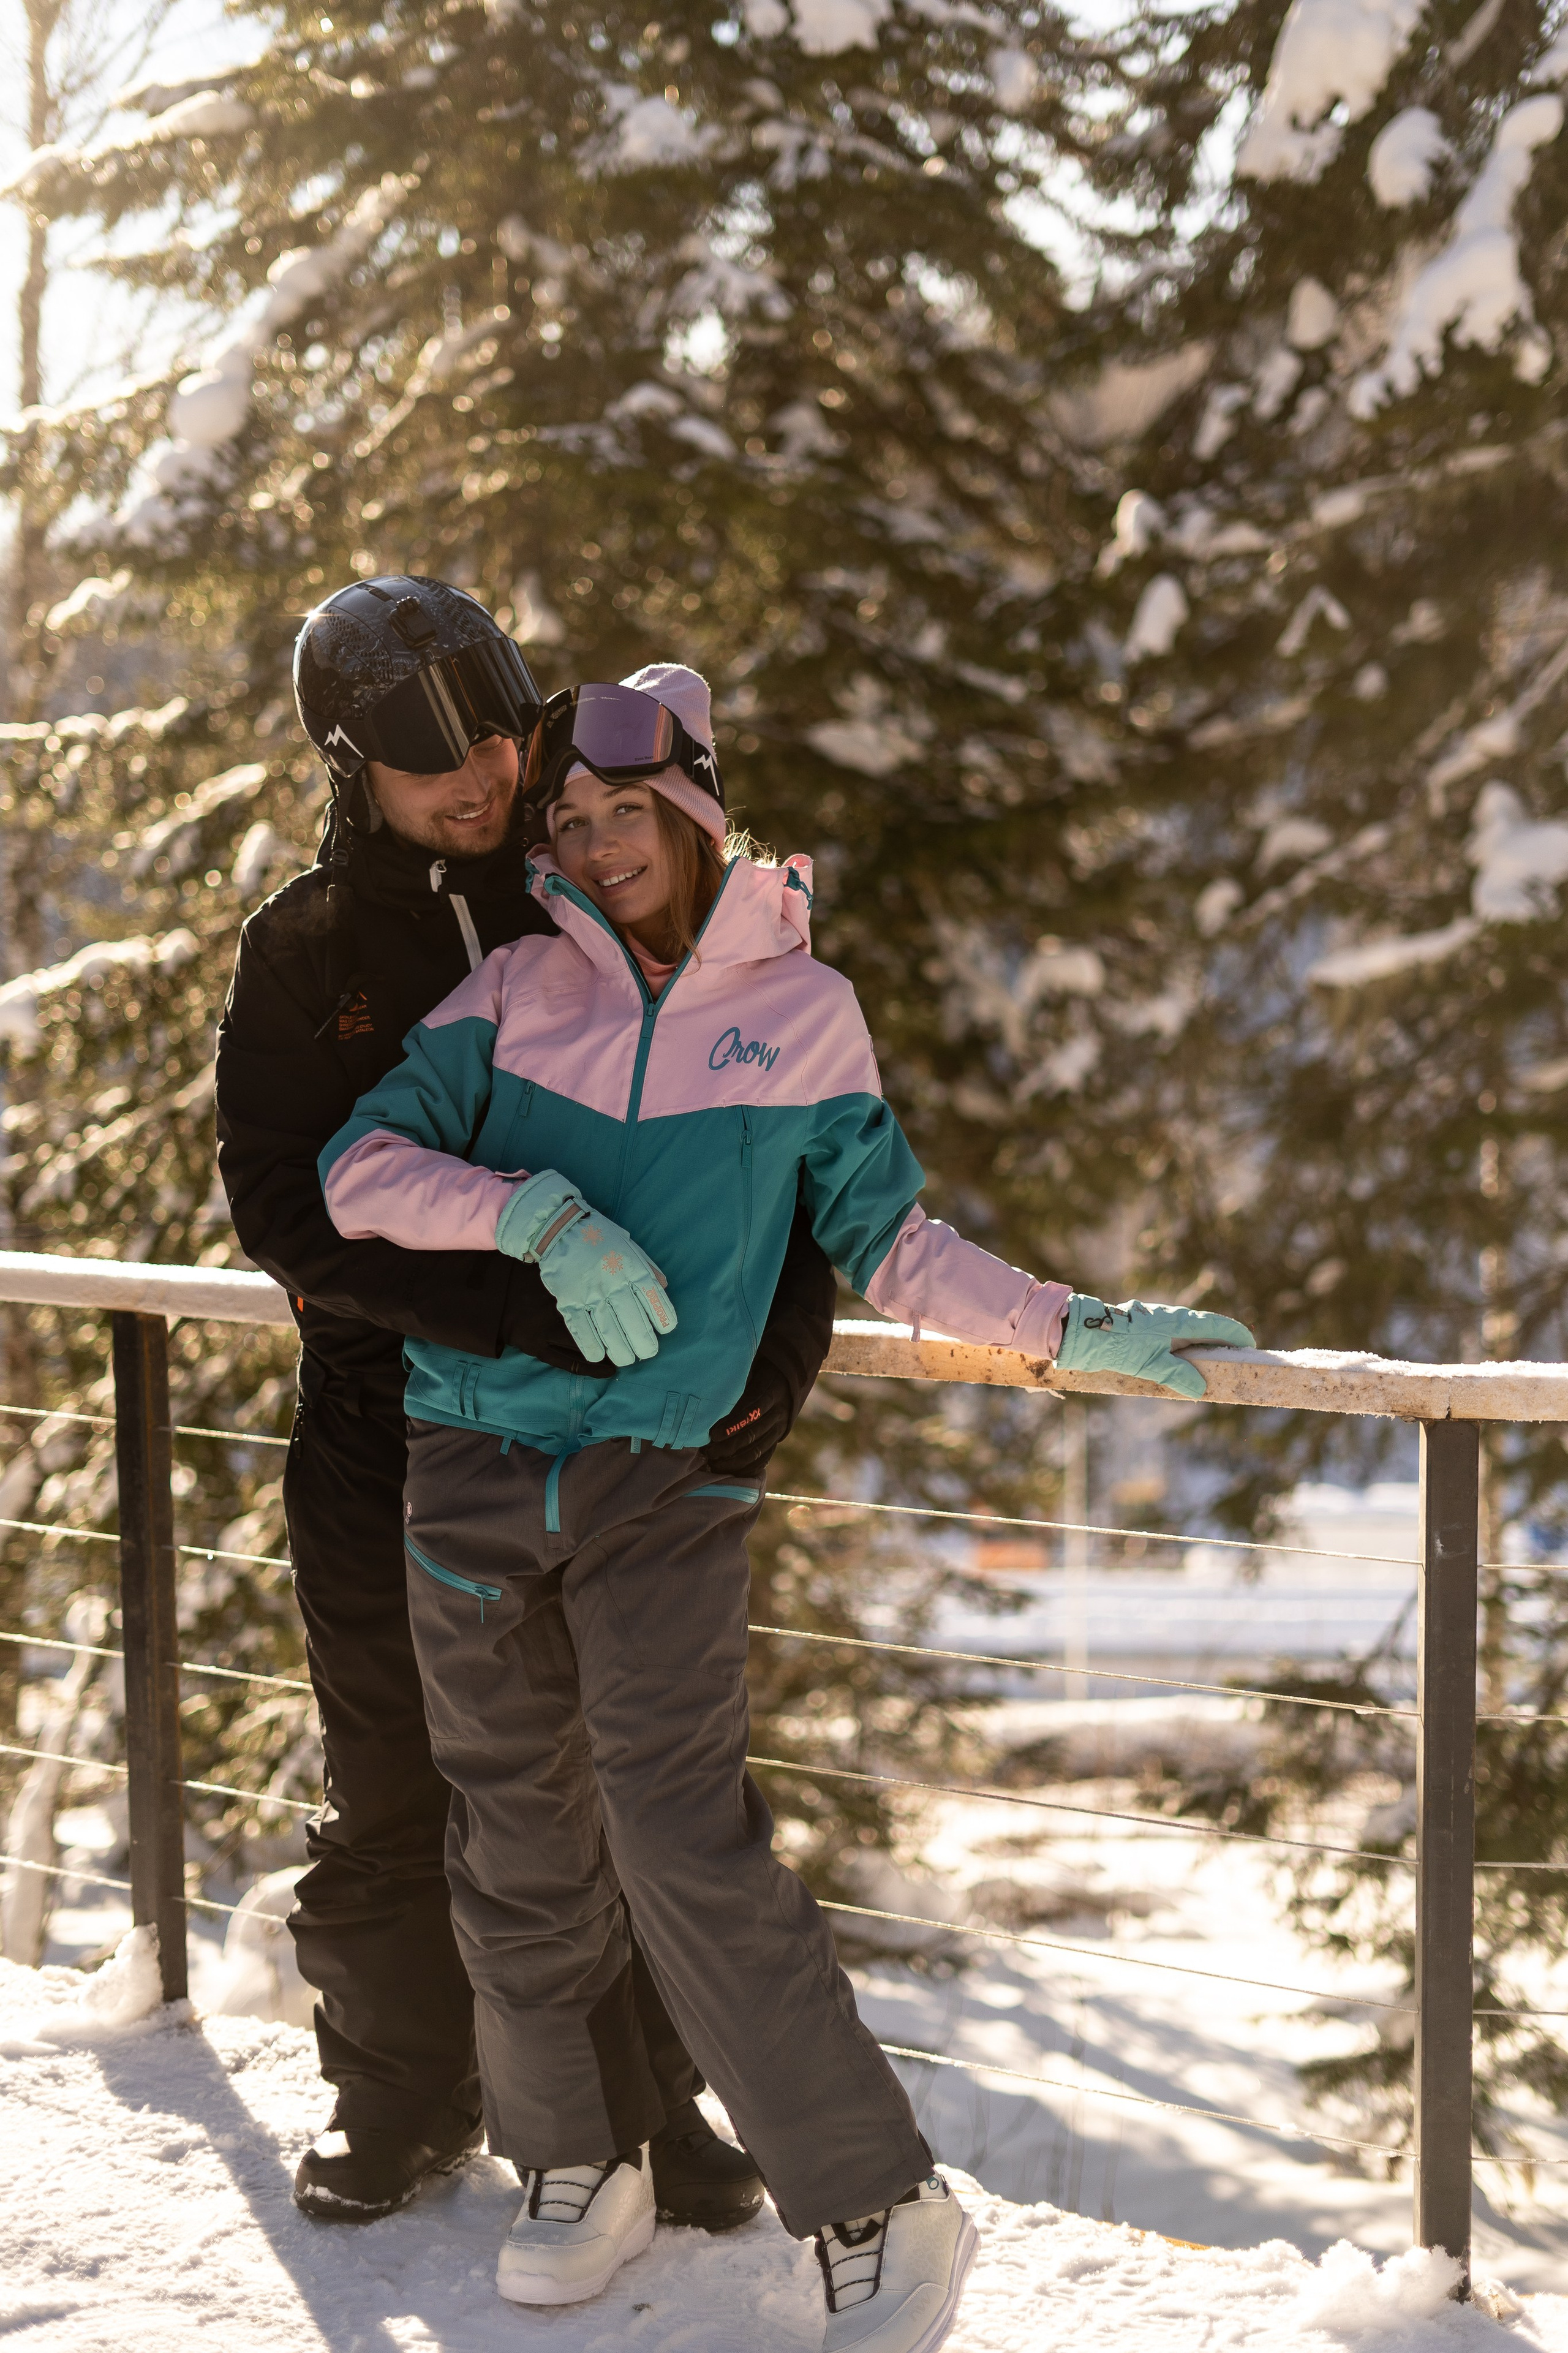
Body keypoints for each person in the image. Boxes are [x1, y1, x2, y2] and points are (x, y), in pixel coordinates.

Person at [315, 660, 1256, 2348]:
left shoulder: (797, 1015)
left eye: (629, 813)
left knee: (680, 1830)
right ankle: (568, 2154)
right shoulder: (510, 990)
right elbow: (360, 1170)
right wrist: (532, 1214)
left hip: (663, 1478)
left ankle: (874, 2198)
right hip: (469, 1456)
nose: (600, 844)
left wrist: (1073, 1327)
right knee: (511, 1828)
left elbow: (893, 1243)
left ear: (696, 806)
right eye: (576, 819)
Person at [214, 581, 837, 2228]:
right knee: (403, 1770)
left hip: (626, 1429)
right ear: (356, 770)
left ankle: (652, 2106)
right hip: (382, 1432)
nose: (484, 780)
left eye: (498, 736)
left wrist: (765, 1382)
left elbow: (772, 1138)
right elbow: (285, 1205)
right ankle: (400, 2089)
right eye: (432, 765)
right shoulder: (311, 948)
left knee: (636, 1771)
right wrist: (516, 1296)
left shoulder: (603, 882)